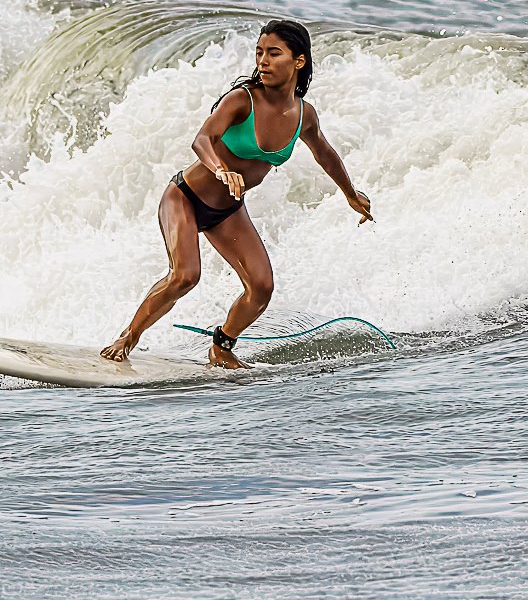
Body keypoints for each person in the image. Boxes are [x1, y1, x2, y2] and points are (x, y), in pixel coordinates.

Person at [101, 19, 373, 370]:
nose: (263, 60)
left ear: (299, 61)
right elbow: (202, 139)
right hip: (184, 197)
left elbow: (325, 153)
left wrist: (350, 194)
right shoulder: (242, 100)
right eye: (259, 52)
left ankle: (222, 346)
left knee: (261, 286)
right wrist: (220, 169)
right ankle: (129, 337)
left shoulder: (303, 115)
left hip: (227, 210)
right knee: (185, 275)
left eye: (274, 53)